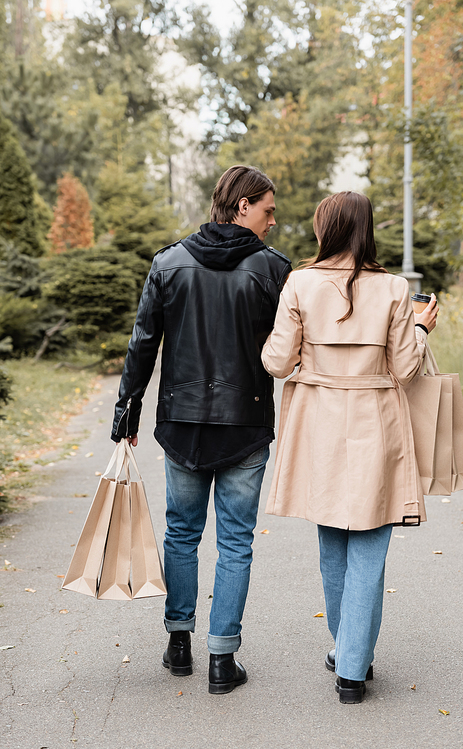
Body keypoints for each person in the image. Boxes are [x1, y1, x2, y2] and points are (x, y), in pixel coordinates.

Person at [111, 165, 291, 694]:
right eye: (267, 210)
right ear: (241, 206)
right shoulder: (272, 270)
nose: (273, 221)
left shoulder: (169, 263)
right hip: (246, 425)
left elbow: (143, 341)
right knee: (235, 543)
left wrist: (128, 409)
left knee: (182, 534)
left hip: (182, 424)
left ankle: (178, 644)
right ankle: (222, 659)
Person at [261, 191, 438, 704]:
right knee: (369, 546)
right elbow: (406, 369)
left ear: (327, 228)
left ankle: (346, 650)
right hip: (375, 420)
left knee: (332, 543)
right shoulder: (394, 289)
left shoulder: (299, 281)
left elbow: (276, 362)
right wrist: (422, 329)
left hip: (317, 421)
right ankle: (352, 669)